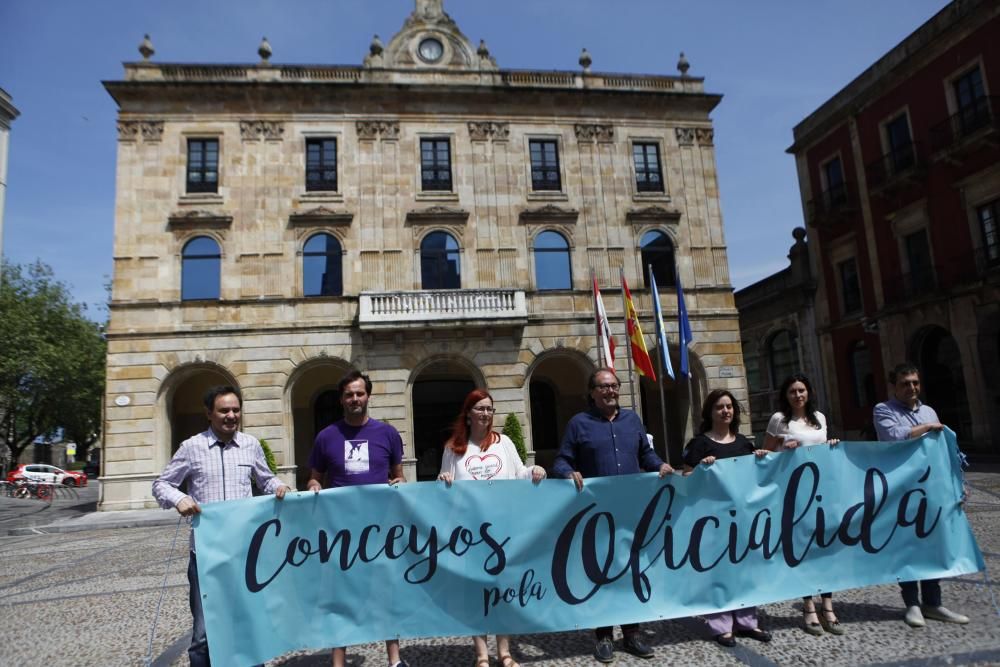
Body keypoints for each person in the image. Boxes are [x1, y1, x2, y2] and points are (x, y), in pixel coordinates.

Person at [152, 385, 290, 667]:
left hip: (246, 554)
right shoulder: (191, 447)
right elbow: (161, 485)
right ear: (209, 414)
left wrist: (279, 486)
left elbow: (265, 480)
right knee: (204, 634)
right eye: (224, 410)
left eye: (235, 410)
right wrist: (179, 498)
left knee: (249, 624)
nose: (231, 415)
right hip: (205, 557)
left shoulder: (251, 445)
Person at [552, 368, 674, 664]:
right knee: (602, 573)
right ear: (592, 392)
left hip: (633, 512)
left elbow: (646, 454)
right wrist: (568, 472)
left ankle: (632, 633)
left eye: (614, 386)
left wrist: (660, 466)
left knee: (632, 570)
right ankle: (603, 635)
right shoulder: (579, 424)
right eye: (604, 387)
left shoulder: (632, 420)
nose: (610, 391)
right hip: (597, 515)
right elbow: (561, 460)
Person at [306, 369, 409, 667]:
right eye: (349, 394)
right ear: (341, 399)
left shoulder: (387, 433)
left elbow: (398, 476)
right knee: (341, 596)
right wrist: (313, 485)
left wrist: (400, 484)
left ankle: (394, 660)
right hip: (341, 531)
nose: (355, 398)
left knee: (386, 591)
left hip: (381, 530)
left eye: (359, 393)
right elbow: (315, 478)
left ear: (368, 396)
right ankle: (338, 662)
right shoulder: (326, 436)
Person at [438, 388, 545, 667]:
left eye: (489, 409)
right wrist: (443, 479)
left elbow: (519, 472)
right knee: (476, 592)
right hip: (470, 533)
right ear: (469, 414)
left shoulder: (504, 442)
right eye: (480, 408)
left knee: (503, 592)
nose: (486, 413)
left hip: (503, 530)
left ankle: (505, 652)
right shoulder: (453, 448)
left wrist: (534, 472)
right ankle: (481, 655)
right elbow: (443, 487)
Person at [874, 362, 969, 628]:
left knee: (932, 544)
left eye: (915, 382)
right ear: (894, 386)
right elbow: (893, 436)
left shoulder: (929, 411)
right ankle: (912, 604)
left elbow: (944, 452)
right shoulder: (884, 410)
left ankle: (933, 602)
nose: (911, 388)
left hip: (932, 489)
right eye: (905, 383)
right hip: (902, 492)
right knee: (907, 546)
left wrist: (958, 483)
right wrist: (927, 429)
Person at [683, 388, 772, 648]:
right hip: (712, 518)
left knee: (745, 569)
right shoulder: (700, 444)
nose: (725, 411)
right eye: (720, 407)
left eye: (729, 407)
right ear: (710, 412)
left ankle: (747, 620)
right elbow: (686, 478)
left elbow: (756, 479)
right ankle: (721, 624)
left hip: (743, 517)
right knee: (718, 570)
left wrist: (761, 458)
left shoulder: (744, 442)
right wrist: (701, 469)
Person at [763, 373, 843, 636]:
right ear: (786, 396)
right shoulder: (779, 420)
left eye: (802, 390)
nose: (798, 395)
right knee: (803, 549)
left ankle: (828, 605)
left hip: (822, 490)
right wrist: (785, 448)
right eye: (792, 391)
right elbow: (765, 457)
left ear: (808, 392)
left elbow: (823, 450)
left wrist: (832, 446)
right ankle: (809, 605)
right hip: (794, 492)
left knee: (825, 546)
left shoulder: (820, 418)